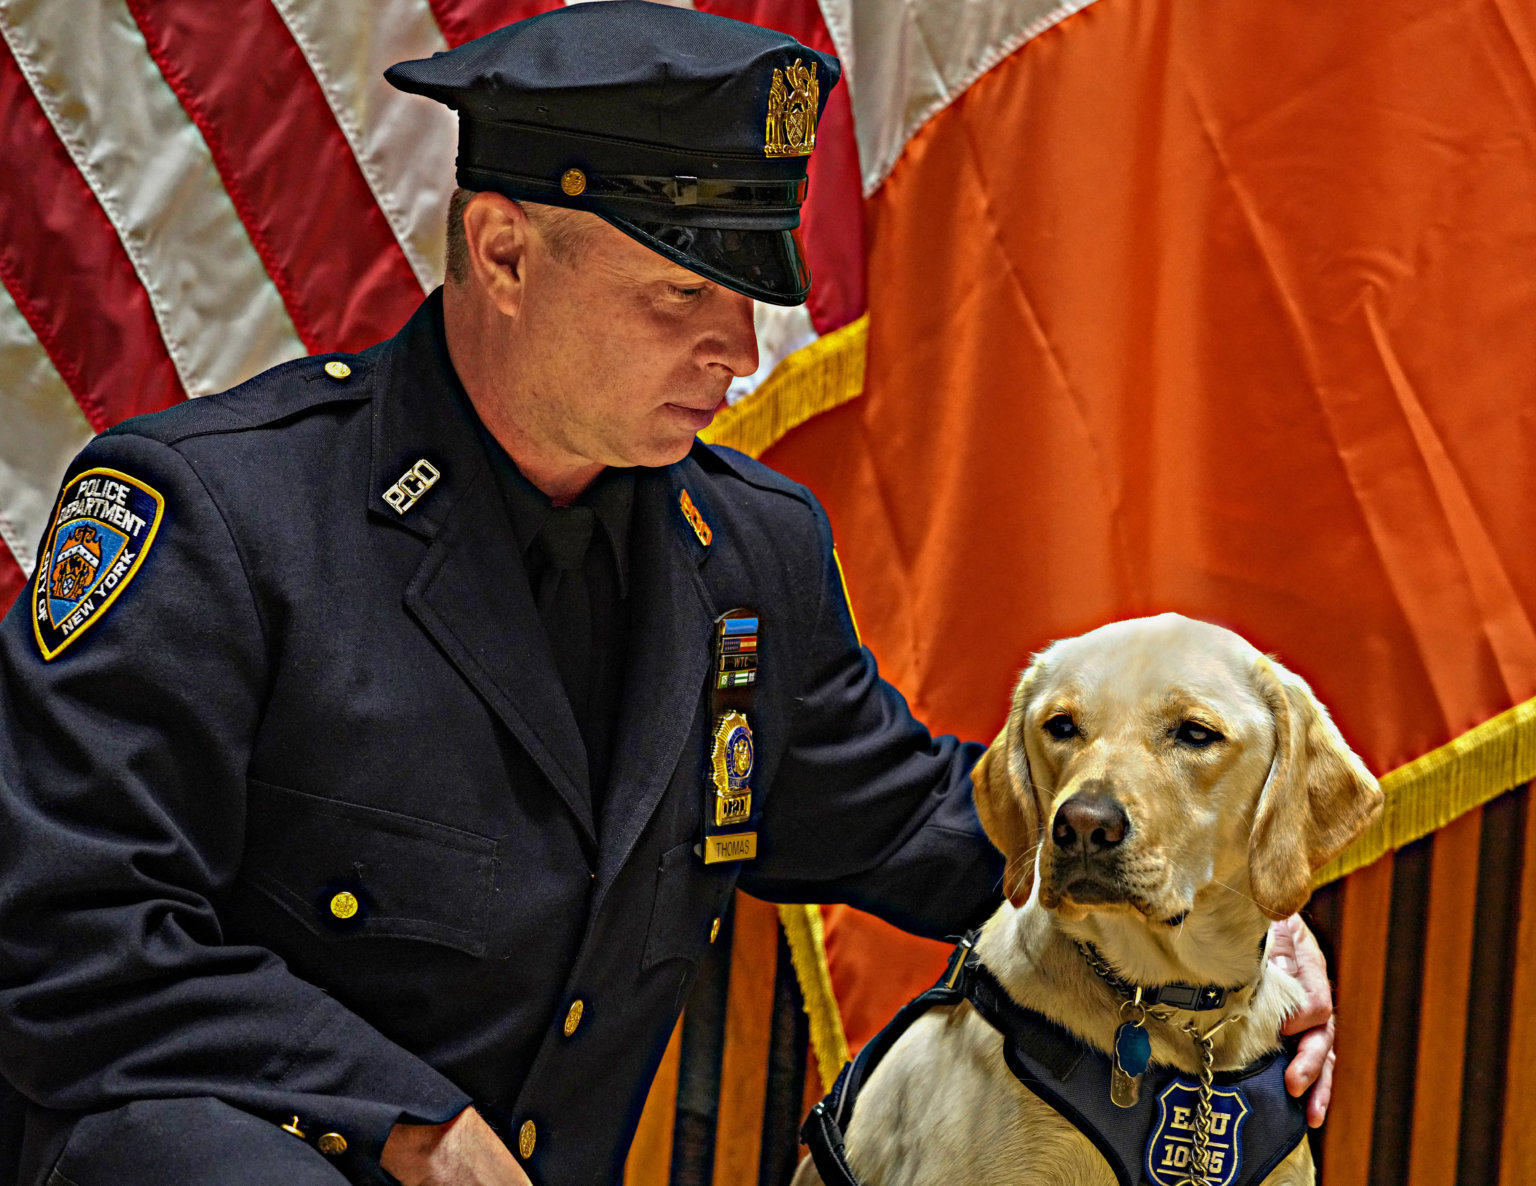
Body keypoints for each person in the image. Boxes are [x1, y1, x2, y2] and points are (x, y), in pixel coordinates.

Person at [0, 5, 1334, 1185]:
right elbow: (66, 928)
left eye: (748, 297)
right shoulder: (218, 515)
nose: (736, 354)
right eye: (680, 293)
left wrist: (1241, 918)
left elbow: (929, 824)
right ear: (502, 253)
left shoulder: (747, 549)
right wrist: (406, 1121)